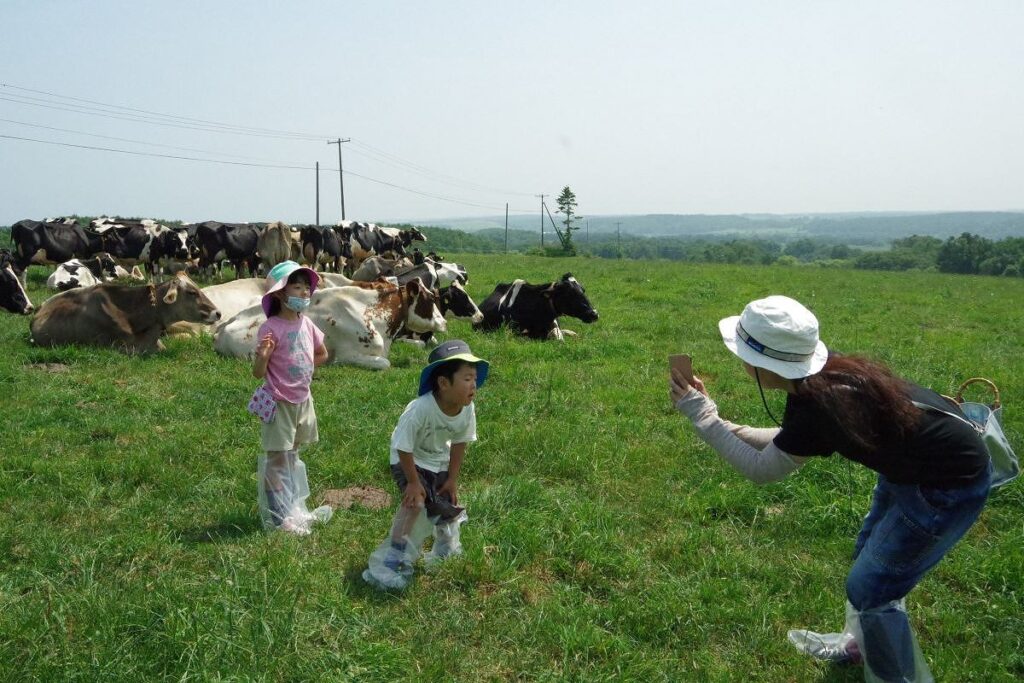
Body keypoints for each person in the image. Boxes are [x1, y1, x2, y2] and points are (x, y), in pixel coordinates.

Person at [669, 295, 990, 682]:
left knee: (873, 587)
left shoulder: (819, 400)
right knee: (868, 561)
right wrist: (715, 416)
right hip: (911, 468)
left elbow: (763, 469)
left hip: (946, 485)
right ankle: (857, 647)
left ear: (759, 362)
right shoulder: (814, 381)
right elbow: (789, 442)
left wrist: (703, 418)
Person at [363, 339, 489, 589]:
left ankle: (445, 550)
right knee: (415, 505)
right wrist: (412, 482)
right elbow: (403, 445)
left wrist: (452, 479)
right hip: (407, 460)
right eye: (466, 379)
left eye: (475, 378)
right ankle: (395, 556)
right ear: (443, 383)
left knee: (446, 504)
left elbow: (460, 443)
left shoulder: (467, 409)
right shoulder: (420, 409)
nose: (474, 385)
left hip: (437, 460)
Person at [252, 260, 333, 535]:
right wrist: (263, 356)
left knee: (293, 454)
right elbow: (257, 372)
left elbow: (323, 353)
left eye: (306, 289)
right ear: (279, 294)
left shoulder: (307, 324)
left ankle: (293, 507)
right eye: (296, 288)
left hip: (302, 400)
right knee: (277, 459)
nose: (303, 294)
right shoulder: (271, 328)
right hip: (279, 400)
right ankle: (278, 517)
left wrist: (302, 362)